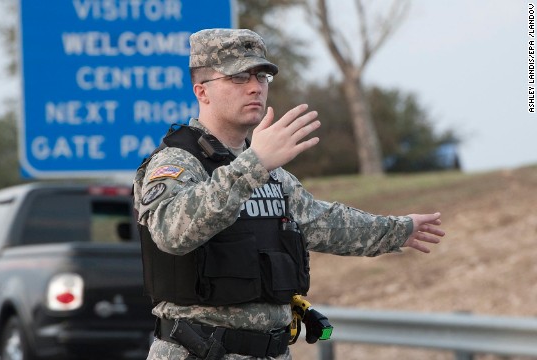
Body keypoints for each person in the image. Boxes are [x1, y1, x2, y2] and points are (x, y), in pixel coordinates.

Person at [133, 28, 445, 360]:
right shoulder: (178, 161)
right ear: (202, 91)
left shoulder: (267, 168)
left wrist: (399, 230)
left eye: (261, 76)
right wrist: (254, 165)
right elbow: (171, 232)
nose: (255, 87)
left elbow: (322, 222)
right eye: (238, 77)